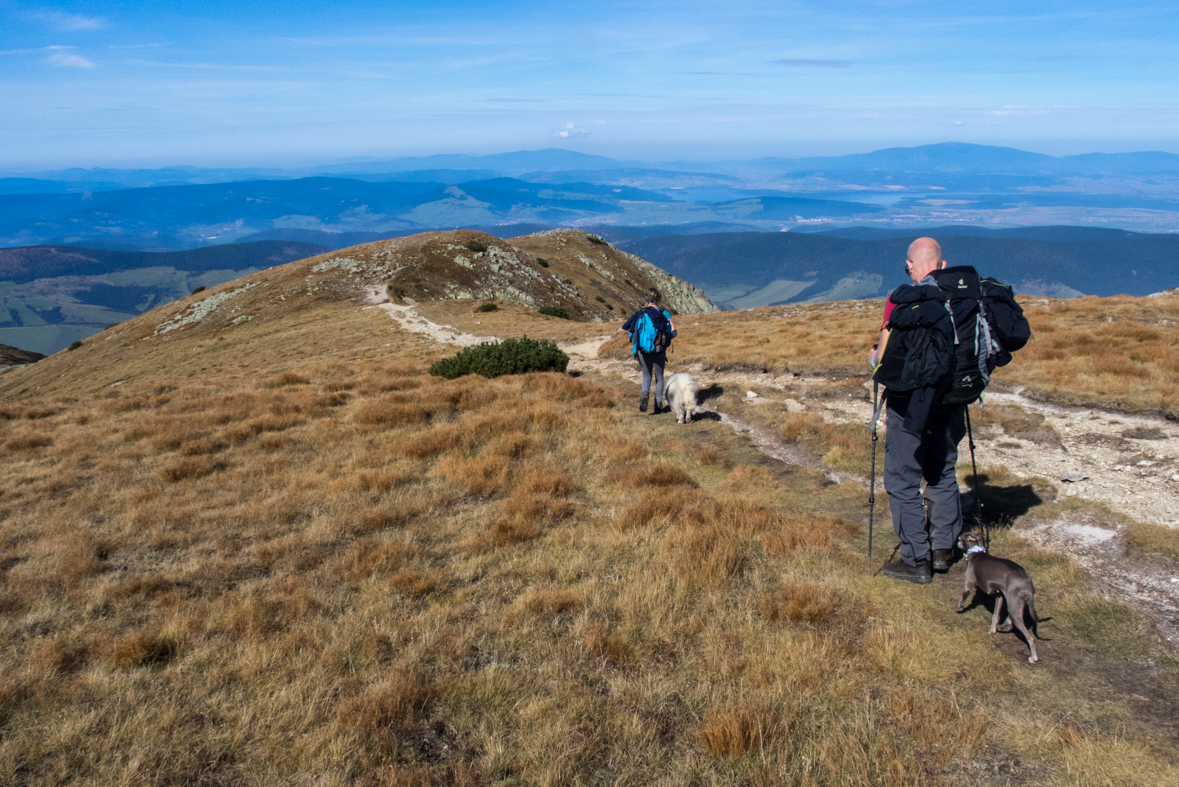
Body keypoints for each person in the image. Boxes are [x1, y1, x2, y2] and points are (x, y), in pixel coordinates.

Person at [869, 237, 965, 584]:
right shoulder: (963, 298)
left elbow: (881, 360)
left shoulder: (902, 301)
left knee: (902, 478)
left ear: (910, 265)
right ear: (942, 265)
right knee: (942, 470)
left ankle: (915, 560)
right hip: (952, 401)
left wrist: (872, 356)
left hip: (909, 405)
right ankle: (942, 550)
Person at [621, 288, 675, 414]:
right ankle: (658, 404)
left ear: (646, 299)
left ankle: (645, 394)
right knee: (659, 377)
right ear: (659, 298)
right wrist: (664, 341)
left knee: (647, 376)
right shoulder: (664, 313)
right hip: (659, 350)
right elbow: (673, 331)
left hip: (643, 351)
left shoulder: (640, 313)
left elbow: (630, 331)